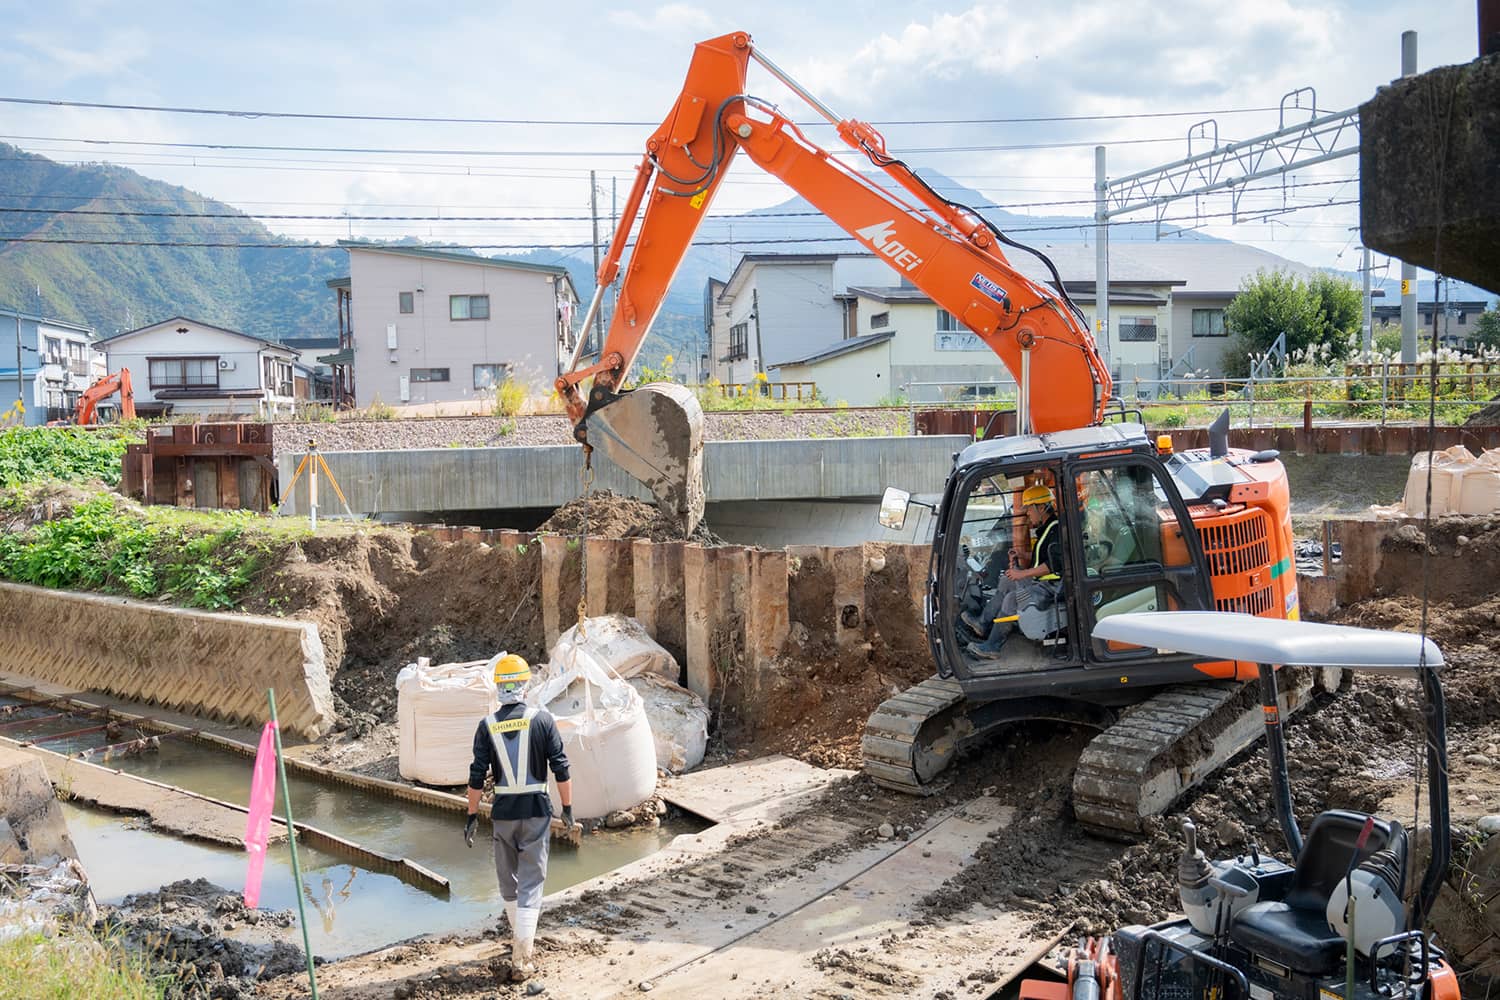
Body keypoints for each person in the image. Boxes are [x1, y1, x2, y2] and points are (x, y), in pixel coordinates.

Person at [465, 652, 574, 982]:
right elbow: (561, 767)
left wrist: (471, 815)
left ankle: (519, 941)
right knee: (531, 881)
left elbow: (475, 775)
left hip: (503, 814)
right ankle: (523, 957)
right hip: (536, 811)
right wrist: (568, 808)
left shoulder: (487, 726)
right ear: (525, 687)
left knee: (507, 880)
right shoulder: (543, 720)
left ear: (499, 688)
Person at [963, 484, 1064, 658]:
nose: (1028, 514)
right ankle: (983, 623)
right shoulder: (1048, 528)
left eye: (1029, 509)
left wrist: (1022, 574)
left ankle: (993, 646)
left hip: (1051, 588)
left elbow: (1053, 565)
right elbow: (1044, 555)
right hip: (1042, 583)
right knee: (1007, 581)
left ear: (1041, 507)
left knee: (1011, 599)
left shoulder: (1055, 531)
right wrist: (1022, 554)